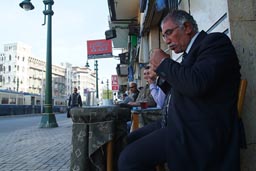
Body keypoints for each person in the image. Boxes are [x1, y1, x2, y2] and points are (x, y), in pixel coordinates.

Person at [118, 10, 241, 171]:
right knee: (129, 139)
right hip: (178, 124)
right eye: (163, 36)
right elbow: (180, 87)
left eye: (169, 33)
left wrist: (164, 62)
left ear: (187, 27)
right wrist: (158, 77)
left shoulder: (214, 43)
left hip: (199, 131)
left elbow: (196, 84)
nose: (167, 41)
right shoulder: (187, 56)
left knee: (128, 160)